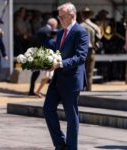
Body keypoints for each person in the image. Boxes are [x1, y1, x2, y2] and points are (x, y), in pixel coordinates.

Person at [43, 2, 89, 150]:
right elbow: (58, 54)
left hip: (72, 80)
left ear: (72, 15)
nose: (60, 19)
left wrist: (60, 64)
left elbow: (81, 57)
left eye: (63, 17)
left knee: (71, 115)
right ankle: (60, 143)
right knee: (47, 109)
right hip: (58, 79)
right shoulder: (61, 32)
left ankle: (71, 147)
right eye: (59, 17)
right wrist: (48, 61)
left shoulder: (80, 31)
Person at [28, 18, 58, 96]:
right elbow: (49, 44)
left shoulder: (41, 29)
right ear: (53, 24)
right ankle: (35, 90)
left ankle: (32, 90)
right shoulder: (48, 31)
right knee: (48, 73)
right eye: (55, 26)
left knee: (37, 72)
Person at [81, 7, 102, 91]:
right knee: (90, 73)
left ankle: (81, 89)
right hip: (91, 51)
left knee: (80, 72)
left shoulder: (79, 26)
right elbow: (99, 39)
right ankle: (89, 89)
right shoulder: (95, 27)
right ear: (90, 15)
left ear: (82, 15)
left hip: (81, 51)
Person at [35, 29, 58, 98]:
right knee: (49, 76)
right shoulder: (53, 42)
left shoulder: (46, 40)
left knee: (49, 76)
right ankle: (38, 91)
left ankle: (38, 91)